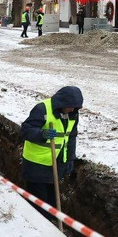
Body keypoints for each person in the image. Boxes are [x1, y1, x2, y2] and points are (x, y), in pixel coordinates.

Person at [20, 86, 83, 219]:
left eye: (75, 107)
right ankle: (38, 229)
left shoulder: (73, 114)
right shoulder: (42, 109)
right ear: (62, 102)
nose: (72, 109)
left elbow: (71, 137)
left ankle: (51, 227)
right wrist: (42, 134)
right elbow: (25, 130)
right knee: (39, 205)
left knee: (53, 205)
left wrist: (70, 159)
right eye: (70, 106)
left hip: (56, 165)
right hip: (36, 166)